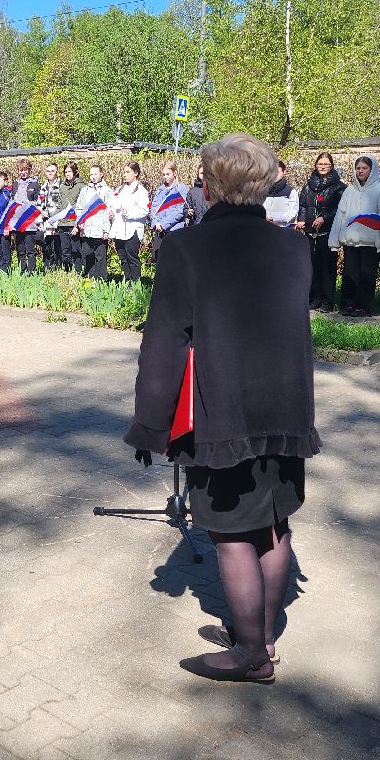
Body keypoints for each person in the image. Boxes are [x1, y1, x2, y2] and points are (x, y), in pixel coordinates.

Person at [126, 132, 319, 684]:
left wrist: (150, 425)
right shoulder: (292, 247)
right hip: (284, 410)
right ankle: (261, 634)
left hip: (224, 409)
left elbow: (163, 341)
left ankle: (251, 654)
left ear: (208, 186)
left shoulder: (186, 248)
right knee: (274, 527)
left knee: (233, 534)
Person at [328, 156, 380, 317]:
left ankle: (363, 306)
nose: (361, 171)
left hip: (370, 243)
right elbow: (340, 216)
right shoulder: (349, 191)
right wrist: (334, 241)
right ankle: (348, 304)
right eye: (358, 168)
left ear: (372, 170)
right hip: (350, 241)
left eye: (364, 168)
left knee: (366, 275)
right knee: (350, 274)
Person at [298, 153, 344, 310]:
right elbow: (303, 205)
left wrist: (324, 217)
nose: (323, 166)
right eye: (320, 164)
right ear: (315, 165)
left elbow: (339, 208)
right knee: (312, 267)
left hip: (328, 232)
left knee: (327, 267)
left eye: (326, 164)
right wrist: (302, 219)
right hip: (311, 232)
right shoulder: (308, 185)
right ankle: (313, 298)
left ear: (331, 166)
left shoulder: (339, 186)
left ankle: (327, 300)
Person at [110, 160, 149, 282]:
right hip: (119, 229)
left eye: (128, 172)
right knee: (123, 257)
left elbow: (144, 210)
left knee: (132, 258)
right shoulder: (119, 189)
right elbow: (112, 204)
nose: (124, 175)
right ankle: (127, 281)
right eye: (124, 172)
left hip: (133, 229)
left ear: (136, 173)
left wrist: (129, 213)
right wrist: (111, 212)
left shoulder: (141, 191)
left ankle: (136, 283)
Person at [75, 164, 114, 280]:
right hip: (87, 230)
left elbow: (109, 211)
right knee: (87, 254)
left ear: (101, 174)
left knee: (100, 256)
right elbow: (79, 208)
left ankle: (101, 280)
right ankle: (89, 278)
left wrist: (106, 230)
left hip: (100, 230)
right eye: (91, 174)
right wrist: (79, 222)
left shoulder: (107, 191)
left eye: (95, 174)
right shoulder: (85, 190)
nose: (93, 177)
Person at [11, 159, 42, 274]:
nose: (23, 172)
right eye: (21, 170)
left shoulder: (35, 184)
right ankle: (22, 270)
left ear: (29, 170)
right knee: (20, 249)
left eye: (25, 170)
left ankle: (32, 271)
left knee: (30, 249)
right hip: (17, 222)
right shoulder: (15, 185)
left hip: (30, 222)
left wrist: (38, 221)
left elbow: (39, 203)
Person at [53, 161, 82, 271]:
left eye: (70, 171)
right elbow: (59, 205)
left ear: (75, 172)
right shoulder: (62, 187)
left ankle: (78, 273)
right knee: (65, 251)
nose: (67, 174)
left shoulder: (81, 186)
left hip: (74, 223)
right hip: (63, 224)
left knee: (76, 250)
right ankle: (68, 273)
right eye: (65, 172)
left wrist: (77, 225)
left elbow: (83, 207)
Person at [150, 161, 187, 244]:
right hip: (159, 230)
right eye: (164, 174)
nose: (165, 177)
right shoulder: (160, 189)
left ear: (175, 173)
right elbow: (154, 208)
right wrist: (156, 223)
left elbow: (179, 211)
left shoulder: (181, 189)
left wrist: (163, 224)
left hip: (175, 230)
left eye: (168, 174)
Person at [39, 162, 62, 269]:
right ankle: (47, 269)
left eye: (52, 171)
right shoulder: (43, 187)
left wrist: (51, 217)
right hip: (45, 223)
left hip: (56, 223)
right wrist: (39, 219)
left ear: (57, 171)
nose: (50, 173)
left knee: (57, 247)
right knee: (46, 247)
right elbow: (39, 204)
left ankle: (57, 270)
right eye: (48, 171)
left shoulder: (61, 186)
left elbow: (59, 206)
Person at [263, 161, 299, 227]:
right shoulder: (264, 191)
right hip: (265, 228)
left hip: (283, 229)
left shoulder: (290, 192)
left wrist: (274, 218)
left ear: (284, 172)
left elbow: (293, 213)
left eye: (277, 172)